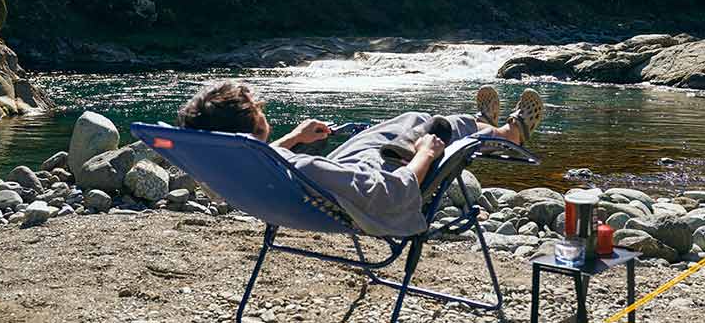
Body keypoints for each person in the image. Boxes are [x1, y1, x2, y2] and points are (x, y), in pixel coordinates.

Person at [175, 81, 544, 236]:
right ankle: (505, 133)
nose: (262, 107)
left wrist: (295, 137)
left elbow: (265, 156)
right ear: (251, 123)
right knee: (433, 126)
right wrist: (426, 156)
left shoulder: (233, 165)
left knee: (403, 121)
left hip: (320, 189)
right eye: (258, 107)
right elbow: (393, 194)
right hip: (363, 193)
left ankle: (484, 124)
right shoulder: (305, 166)